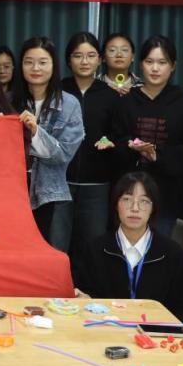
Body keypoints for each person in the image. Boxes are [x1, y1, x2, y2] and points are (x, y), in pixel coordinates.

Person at [71, 172, 183, 325]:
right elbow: (84, 296)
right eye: (127, 199)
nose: (135, 208)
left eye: (144, 201)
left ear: (153, 208)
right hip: (106, 330)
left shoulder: (171, 253)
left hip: (155, 335)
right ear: (116, 204)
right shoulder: (96, 249)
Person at [110, 35, 183, 239]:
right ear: (141, 64)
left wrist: (157, 155)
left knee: (158, 248)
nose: (155, 68)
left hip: (167, 194)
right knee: (127, 248)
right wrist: (130, 146)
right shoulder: (126, 100)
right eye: (149, 62)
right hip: (129, 191)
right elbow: (114, 140)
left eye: (162, 62)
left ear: (173, 66)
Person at [10, 37, 84, 253]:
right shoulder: (8, 101)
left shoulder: (69, 104)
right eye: (29, 62)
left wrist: (35, 132)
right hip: (12, 193)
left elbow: (64, 154)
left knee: (50, 256)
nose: (35, 68)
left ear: (54, 66)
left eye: (43, 62)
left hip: (51, 195)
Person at [61, 32, 119, 253]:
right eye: (78, 56)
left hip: (97, 185)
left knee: (92, 246)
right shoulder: (57, 91)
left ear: (100, 59)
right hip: (60, 183)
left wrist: (111, 141)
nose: (84, 61)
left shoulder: (111, 95)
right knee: (58, 244)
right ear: (68, 60)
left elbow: (120, 134)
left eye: (91, 55)